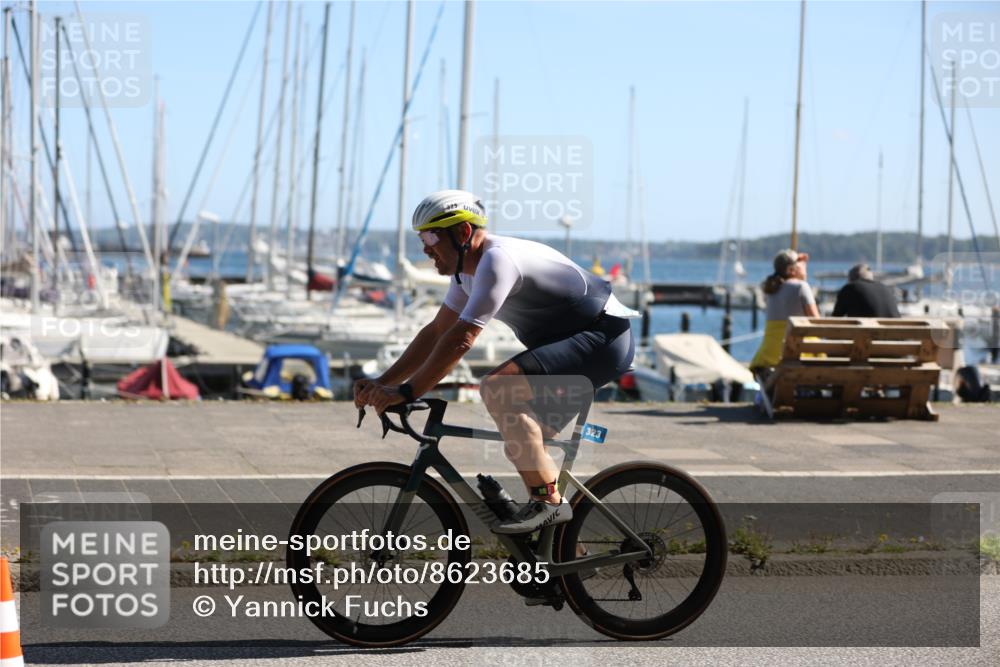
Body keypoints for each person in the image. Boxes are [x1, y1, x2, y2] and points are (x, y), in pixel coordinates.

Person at [354, 190, 636, 534]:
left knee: (498, 389)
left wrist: (409, 391)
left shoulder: (497, 260)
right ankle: (560, 560)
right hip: (572, 343)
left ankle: (548, 502)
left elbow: (461, 339)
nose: (424, 248)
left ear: (462, 234)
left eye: (431, 236)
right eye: (420, 238)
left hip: (602, 339)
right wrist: (385, 381)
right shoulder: (466, 274)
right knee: (524, 445)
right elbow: (437, 332)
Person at [749, 248, 820, 372]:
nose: (804, 265)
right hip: (799, 354)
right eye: (800, 262)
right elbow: (818, 325)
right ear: (791, 270)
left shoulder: (771, 290)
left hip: (768, 356)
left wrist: (799, 262)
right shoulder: (801, 287)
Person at [831, 263, 900, 318]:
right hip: (895, 334)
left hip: (868, 334)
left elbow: (836, 317)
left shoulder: (850, 288)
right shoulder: (886, 288)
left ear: (851, 279)